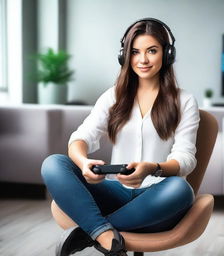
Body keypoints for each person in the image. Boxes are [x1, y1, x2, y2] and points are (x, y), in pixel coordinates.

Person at [41, 18, 200, 256]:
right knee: (53, 163)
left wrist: (152, 168)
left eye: (152, 51)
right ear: (124, 55)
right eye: (135, 52)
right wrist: (84, 162)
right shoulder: (113, 96)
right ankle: (105, 234)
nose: (143, 60)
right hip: (115, 192)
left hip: (157, 198)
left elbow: (185, 159)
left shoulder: (184, 101)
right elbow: (81, 137)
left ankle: (90, 231)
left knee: (182, 189)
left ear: (167, 55)